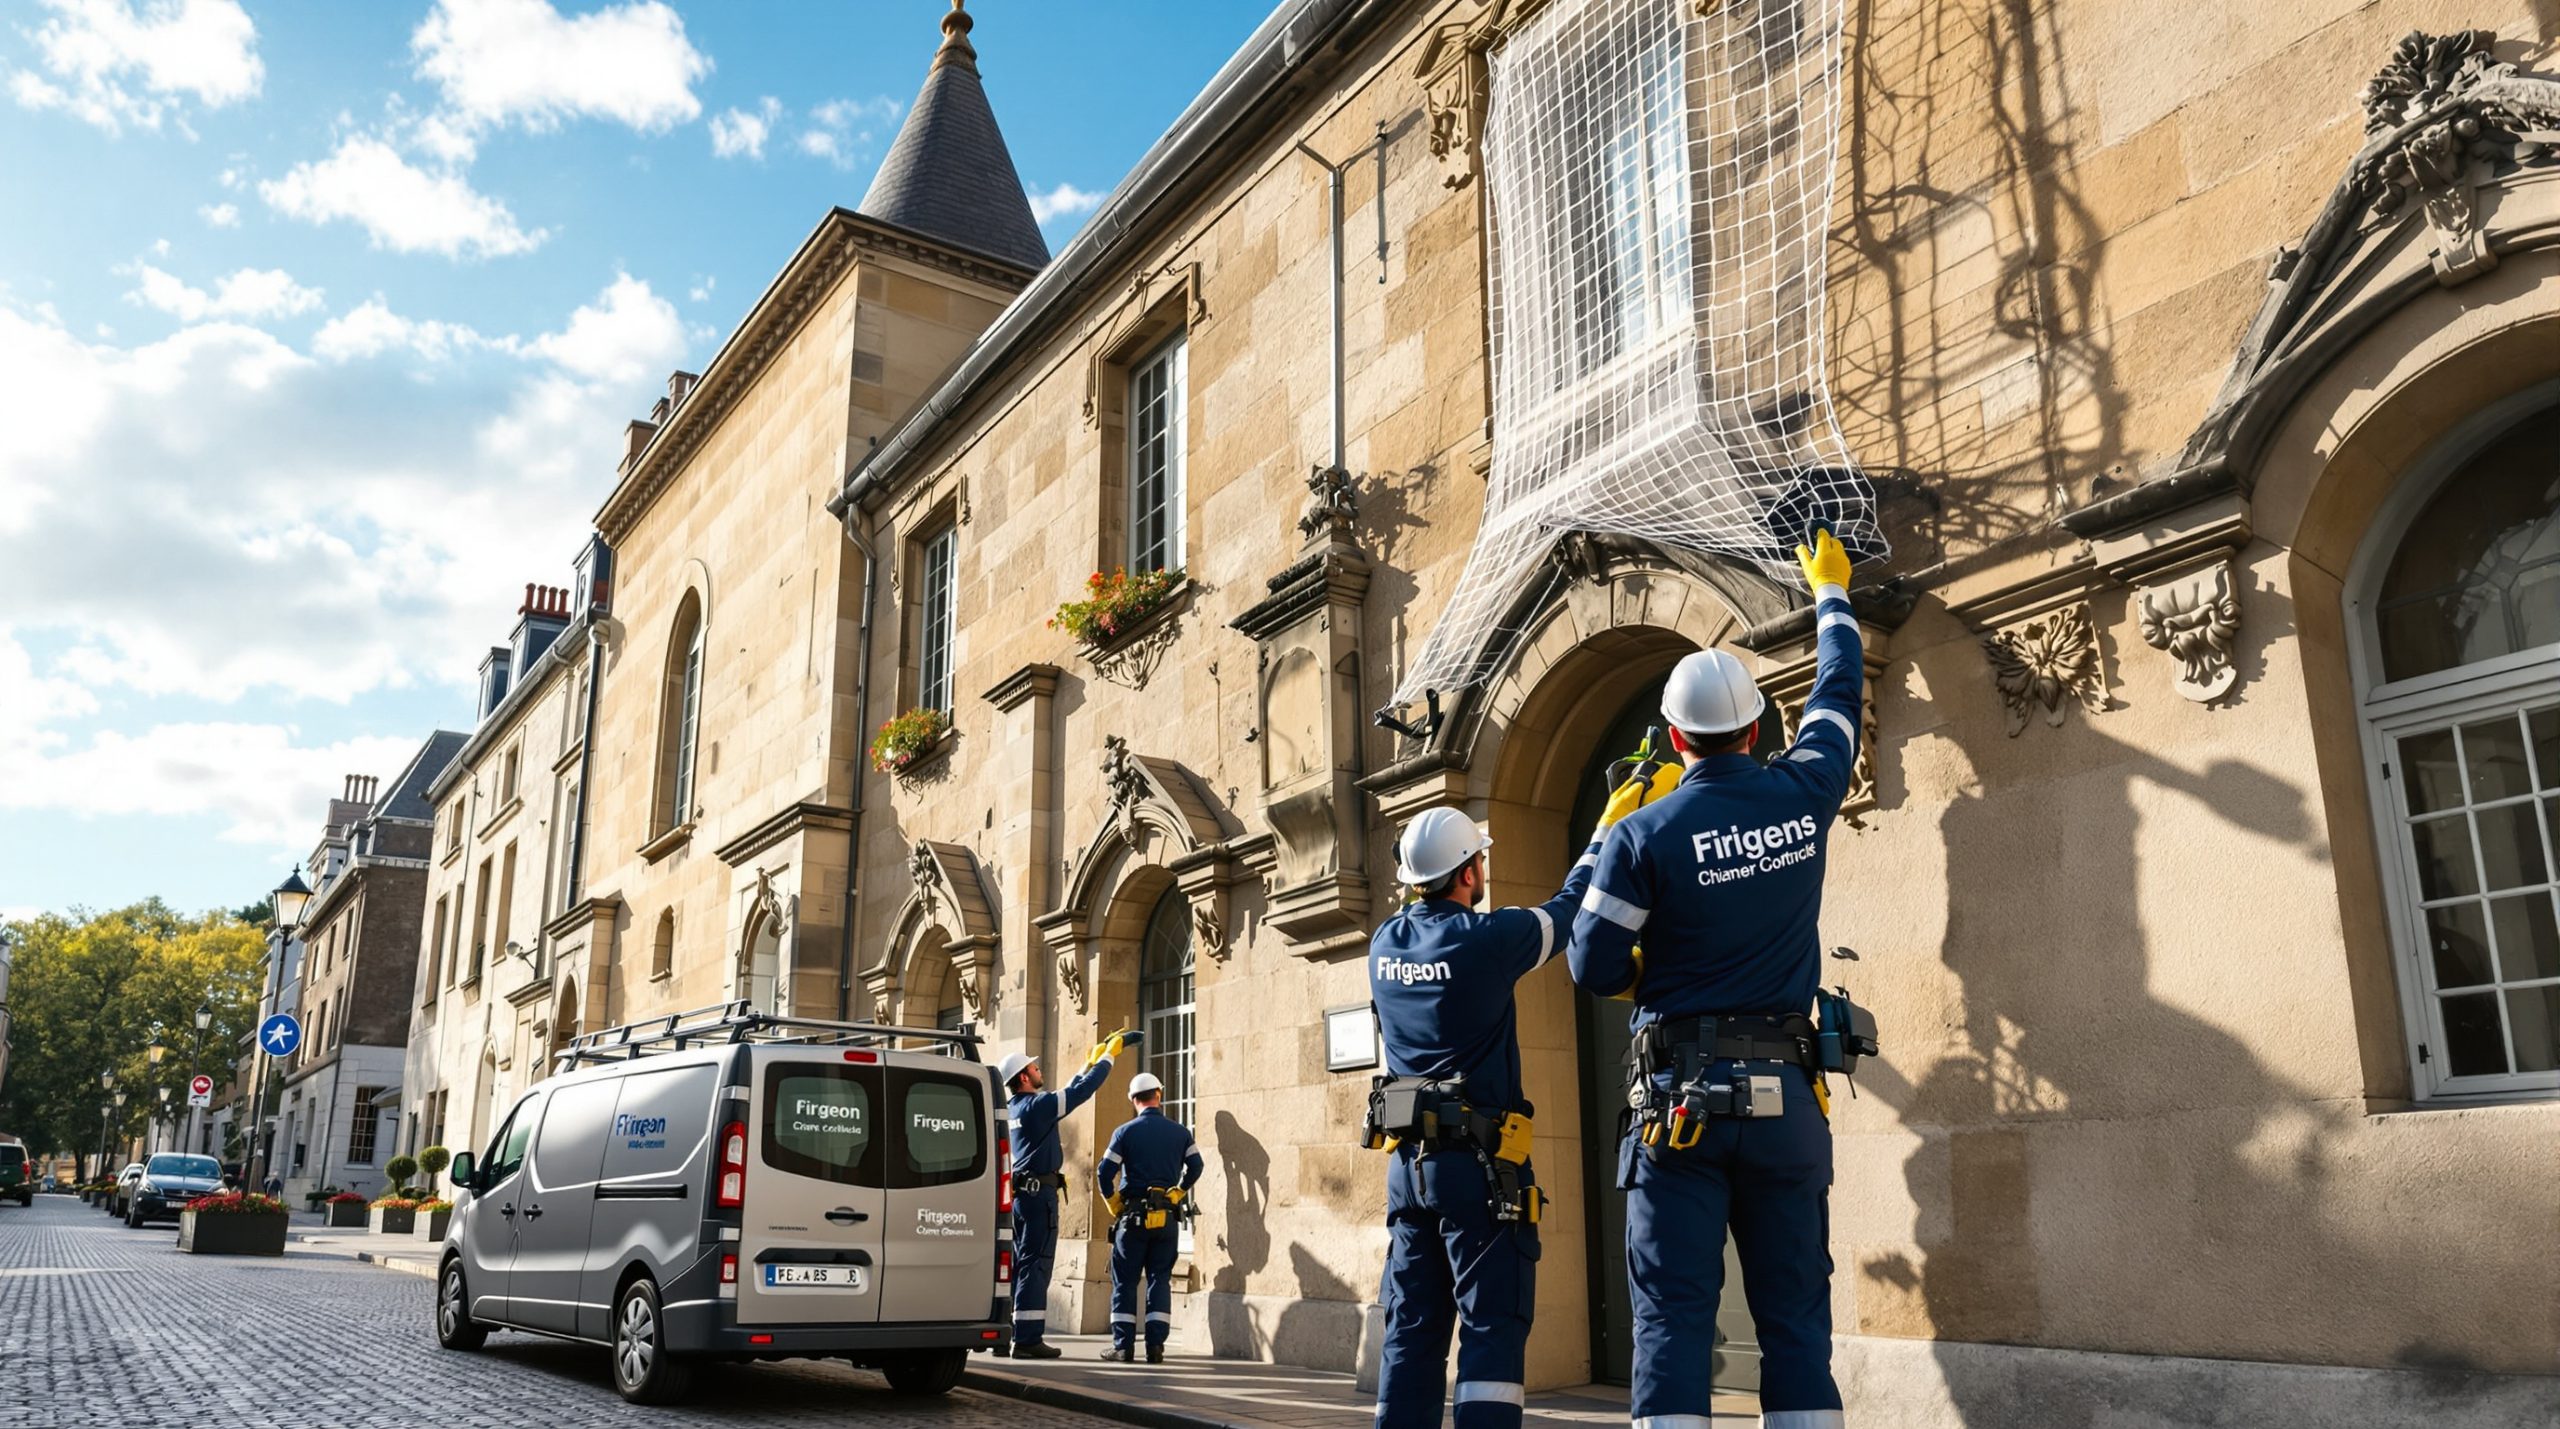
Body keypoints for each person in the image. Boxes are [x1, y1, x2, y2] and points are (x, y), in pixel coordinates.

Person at [1568, 525, 1863, 1429]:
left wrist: (1618, 874)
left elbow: (1591, 963)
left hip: (1681, 1105)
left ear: (1670, 736)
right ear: (1757, 727)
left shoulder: (1640, 836)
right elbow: (1839, 701)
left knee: (1672, 1319)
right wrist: (1832, 597)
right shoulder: (1801, 790)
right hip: (1786, 1098)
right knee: (1796, 1324)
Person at [1365, 800, 1633, 1429]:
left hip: (1409, 1168)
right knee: (1491, 1331)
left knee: (1412, 1328)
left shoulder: (1384, 944)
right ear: (1466, 873)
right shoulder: (1484, 941)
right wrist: (1605, 827)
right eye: (1479, 860)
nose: (1483, 869)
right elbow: (1568, 909)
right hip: (1479, 1172)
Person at [1000, 1031, 1129, 1359]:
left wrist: (1084, 1065)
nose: (1039, 1070)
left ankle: (1011, 1333)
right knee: (1036, 1264)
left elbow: (1064, 1093)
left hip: (1019, 1197)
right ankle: (1028, 1339)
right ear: (1025, 1077)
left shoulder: (1014, 1109)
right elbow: (1079, 1094)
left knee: (1019, 1264)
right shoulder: (1036, 1106)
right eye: (1035, 1067)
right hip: (1038, 1197)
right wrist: (1106, 1059)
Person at [1093, 1071, 1202, 1364]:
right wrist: (1178, 1192)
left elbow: (1104, 1172)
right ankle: (1156, 1347)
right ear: (1159, 1095)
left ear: (1132, 1099)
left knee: (1126, 1282)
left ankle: (1123, 1346)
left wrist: (1113, 1201)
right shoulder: (1180, 1132)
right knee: (1159, 1280)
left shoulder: (1125, 1132)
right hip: (1166, 1219)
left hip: (1133, 1218)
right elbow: (1196, 1165)